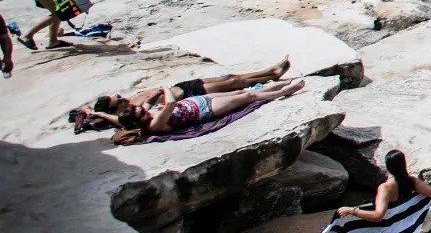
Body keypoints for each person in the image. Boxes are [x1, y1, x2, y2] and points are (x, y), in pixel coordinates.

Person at [73, 58, 292, 133]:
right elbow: (118, 121)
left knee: (231, 77)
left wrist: (90, 110)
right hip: (185, 96)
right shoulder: (134, 112)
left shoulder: (134, 105)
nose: (122, 98)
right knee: (234, 84)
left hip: (184, 88)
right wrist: (95, 115)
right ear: (116, 109)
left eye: (118, 96)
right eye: (118, 101)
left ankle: (269, 72)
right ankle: (271, 75)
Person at [107, 78, 306, 144]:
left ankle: (279, 85)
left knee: (241, 91)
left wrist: (151, 95)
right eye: (139, 112)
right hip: (205, 111)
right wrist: (166, 90)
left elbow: (148, 103)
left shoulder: (145, 114)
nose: (143, 110)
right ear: (139, 120)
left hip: (197, 101)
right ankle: (284, 91)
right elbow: (169, 105)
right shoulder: (155, 123)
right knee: (248, 98)